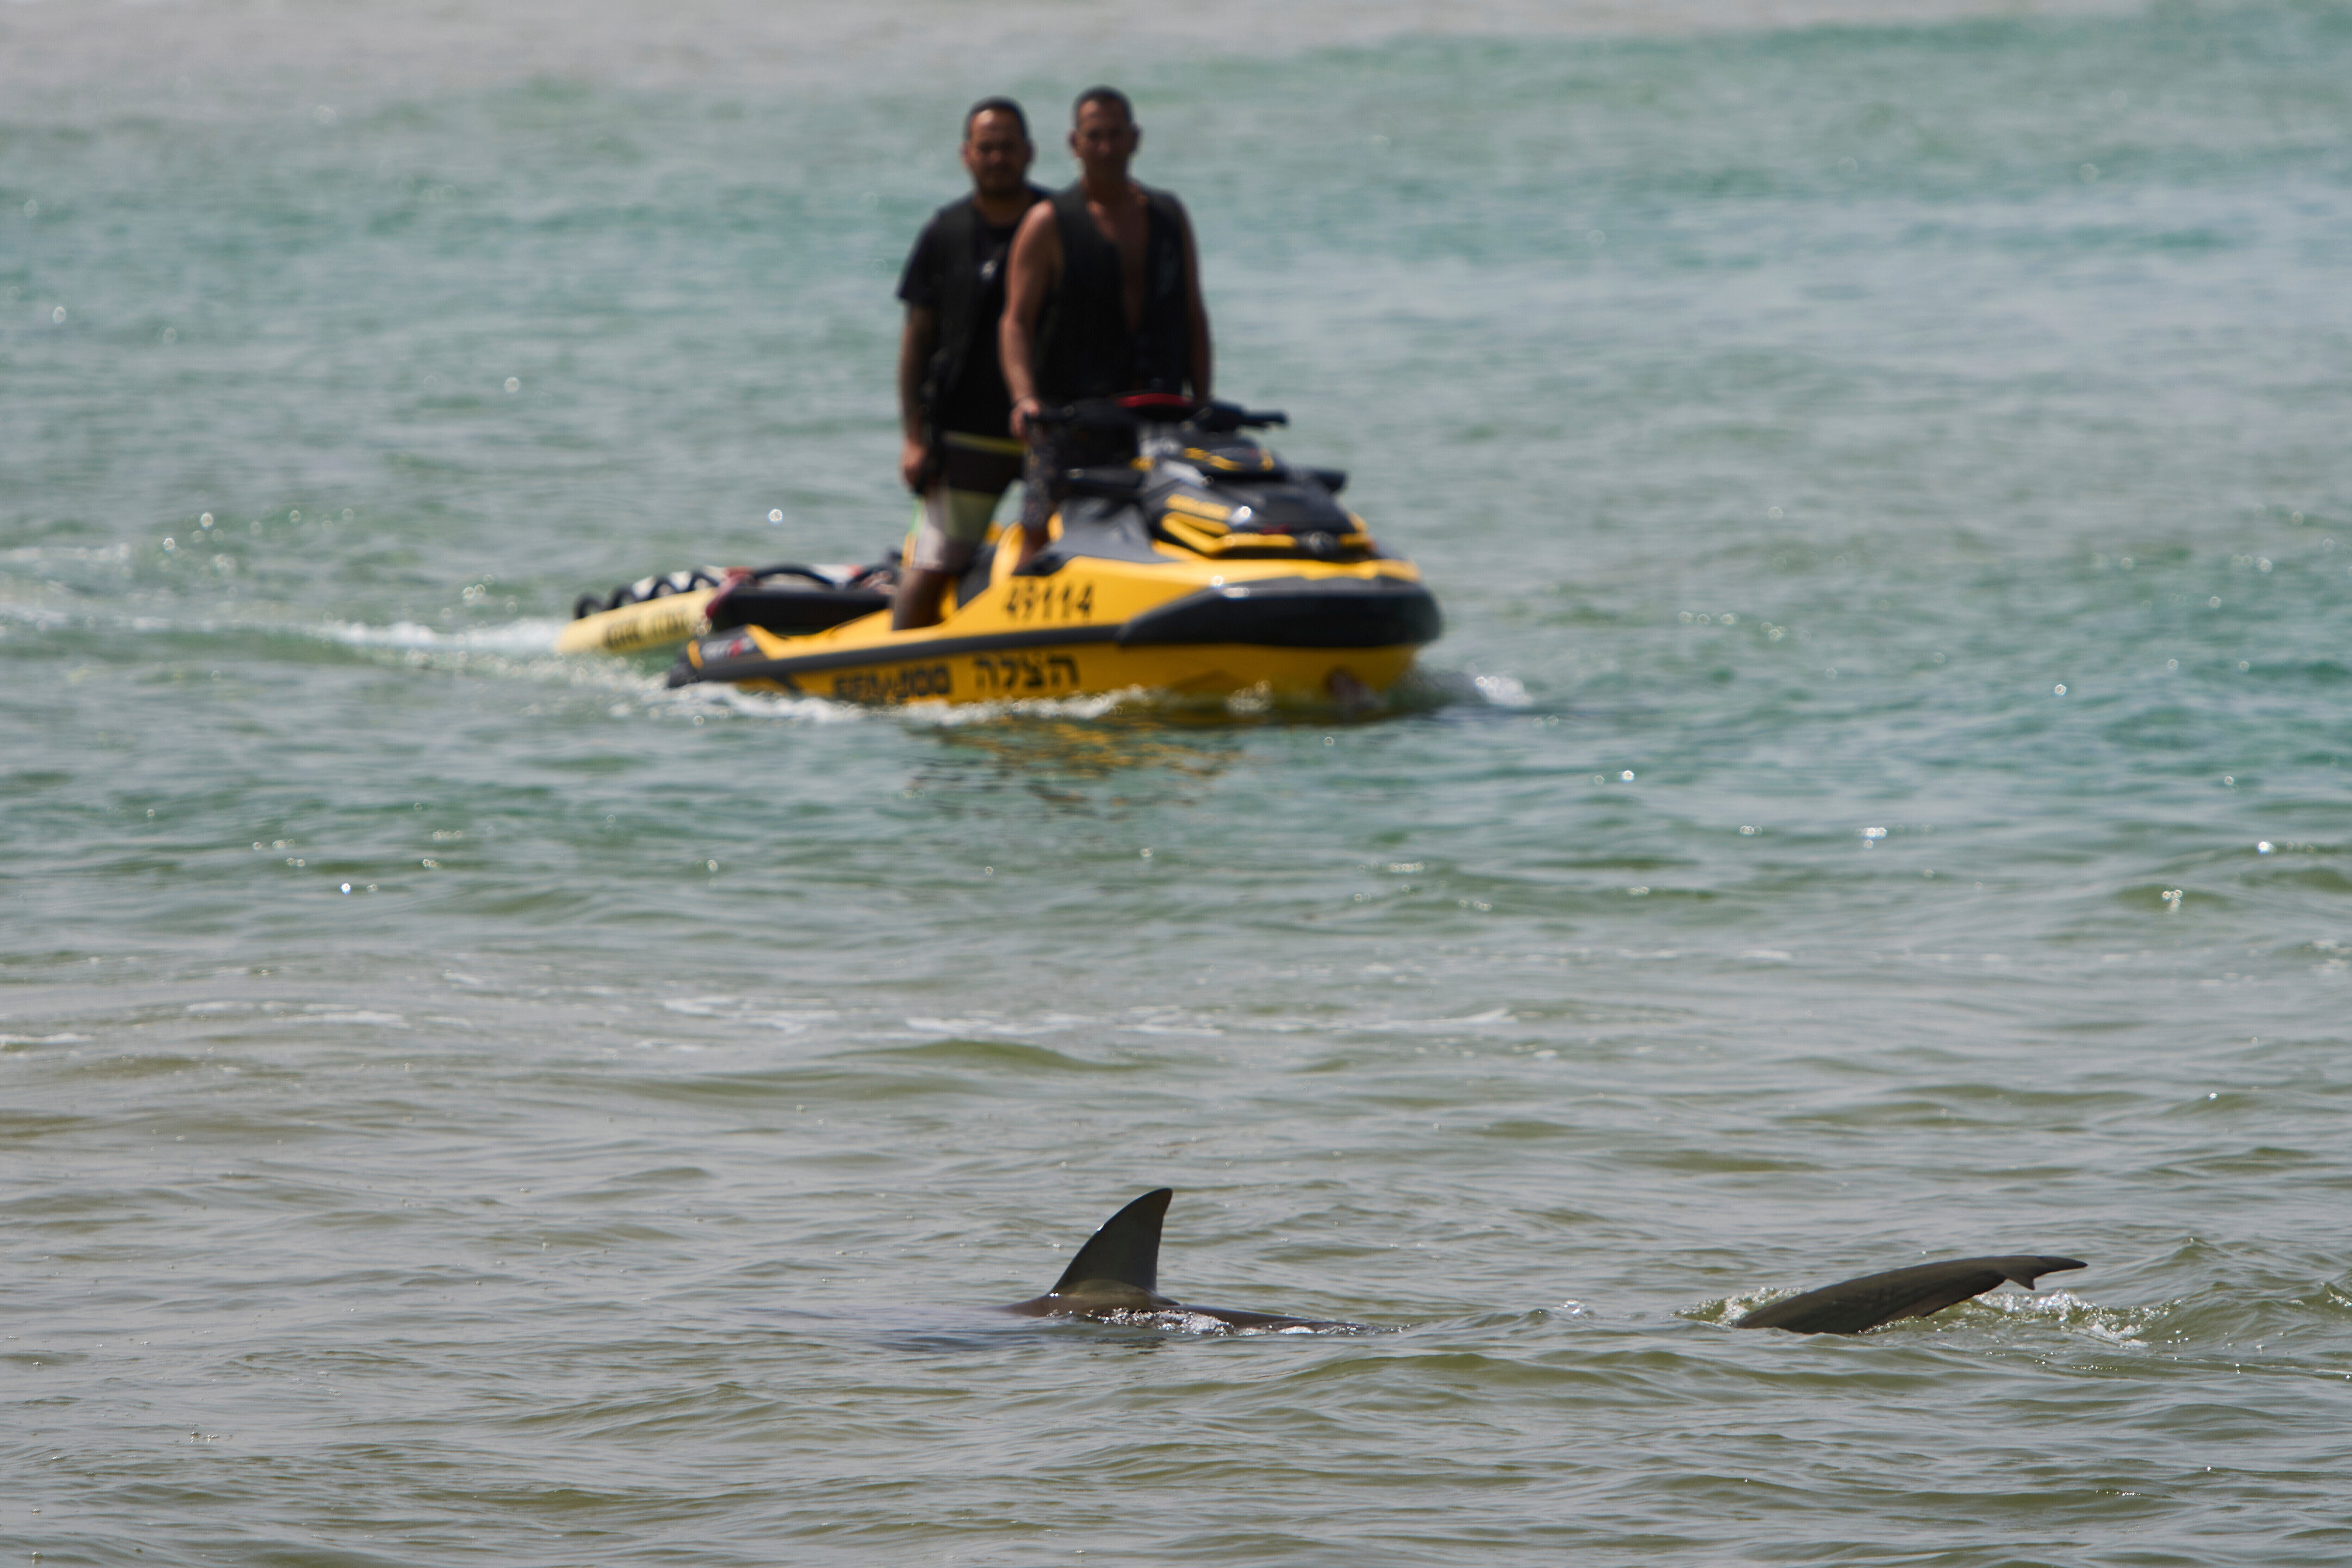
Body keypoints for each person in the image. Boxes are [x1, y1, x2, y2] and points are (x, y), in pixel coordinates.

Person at [1000, 86, 1212, 567]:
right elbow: (1015, 322)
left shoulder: (1168, 215)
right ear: (1074, 144)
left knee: (1171, 525)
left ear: (1135, 139)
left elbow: (1193, 315)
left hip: (1158, 411)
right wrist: (1024, 398)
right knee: (1038, 526)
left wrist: (1202, 400)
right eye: (1094, 137)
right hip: (1069, 418)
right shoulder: (1048, 223)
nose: (1106, 148)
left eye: (1116, 136)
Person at [892, 98, 1048, 630]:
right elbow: (916, 342)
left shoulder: (1056, 223)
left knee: (1057, 559)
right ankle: (900, 659)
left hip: (1047, 430)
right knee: (932, 566)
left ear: (1029, 152)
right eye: (987, 148)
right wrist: (914, 439)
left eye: (1008, 147)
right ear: (967, 155)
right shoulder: (946, 232)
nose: (998, 158)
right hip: (964, 433)